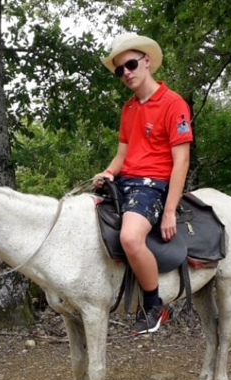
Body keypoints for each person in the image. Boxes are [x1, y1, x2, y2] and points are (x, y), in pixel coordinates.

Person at [94, 32, 193, 335]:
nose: (126, 73)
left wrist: (170, 210)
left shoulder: (173, 104)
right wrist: (107, 173)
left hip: (152, 186)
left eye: (131, 64)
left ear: (147, 61)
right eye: (119, 70)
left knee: (130, 238)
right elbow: (122, 154)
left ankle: (154, 305)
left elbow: (181, 161)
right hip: (124, 181)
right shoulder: (129, 109)